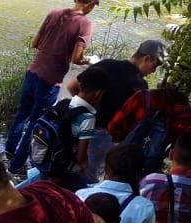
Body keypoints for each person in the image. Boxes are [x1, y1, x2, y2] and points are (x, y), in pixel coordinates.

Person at [4, 0, 97, 174]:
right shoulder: (85, 23)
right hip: (50, 80)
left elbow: (35, 43)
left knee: (22, 114)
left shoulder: (55, 13)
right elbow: (76, 59)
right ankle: (16, 165)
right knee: (35, 123)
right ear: (91, 4)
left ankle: (9, 151)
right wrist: (89, 60)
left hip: (32, 71)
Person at [68, 40, 167, 181]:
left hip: (75, 124)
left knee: (66, 164)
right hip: (103, 136)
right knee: (89, 177)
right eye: (155, 66)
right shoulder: (139, 86)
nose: (153, 71)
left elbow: (72, 87)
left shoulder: (107, 65)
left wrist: (83, 113)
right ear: (147, 59)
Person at [33, 66, 109, 189]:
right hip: (64, 172)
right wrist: (86, 168)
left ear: (80, 85)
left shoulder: (63, 103)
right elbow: (81, 156)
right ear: (98, 93)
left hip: (45, 162)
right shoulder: (87, 118)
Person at [108, 85, 191, 173]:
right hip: (150, 165)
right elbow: (182, 145)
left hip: (124, 155)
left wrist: (122, 139)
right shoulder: (186, 114)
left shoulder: (143, 97)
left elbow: (115, 124)